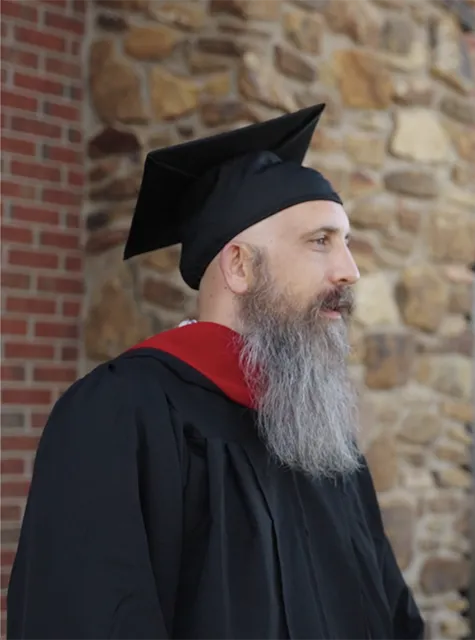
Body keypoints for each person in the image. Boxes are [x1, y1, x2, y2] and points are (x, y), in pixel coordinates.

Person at [7, 105, 424, 639]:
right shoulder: (120, 414)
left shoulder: (324, 439)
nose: (350, 270)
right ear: (240, 266)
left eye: (346, 242)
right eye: (321, 241)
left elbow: (391, 619)